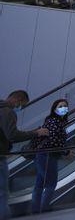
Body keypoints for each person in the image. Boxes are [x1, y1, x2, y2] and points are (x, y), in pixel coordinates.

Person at [1, 90, 49, 219]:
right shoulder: (8, 112)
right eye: (23, 105)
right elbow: (12, 135)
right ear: (18, 101)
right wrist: (36, 133)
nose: (21, 108)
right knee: (2, 195)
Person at [29, 99, 69, 214]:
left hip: (43, 155)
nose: (63, 108)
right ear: (54, 109)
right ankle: (44, 209)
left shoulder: (56, 121)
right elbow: (53, 140)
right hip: (47, 155)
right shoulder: (53, 121)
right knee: (51, 184)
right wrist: (65, 152)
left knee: (40, 184)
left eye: (65, 106)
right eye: (60, 106)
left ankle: (36, 210)